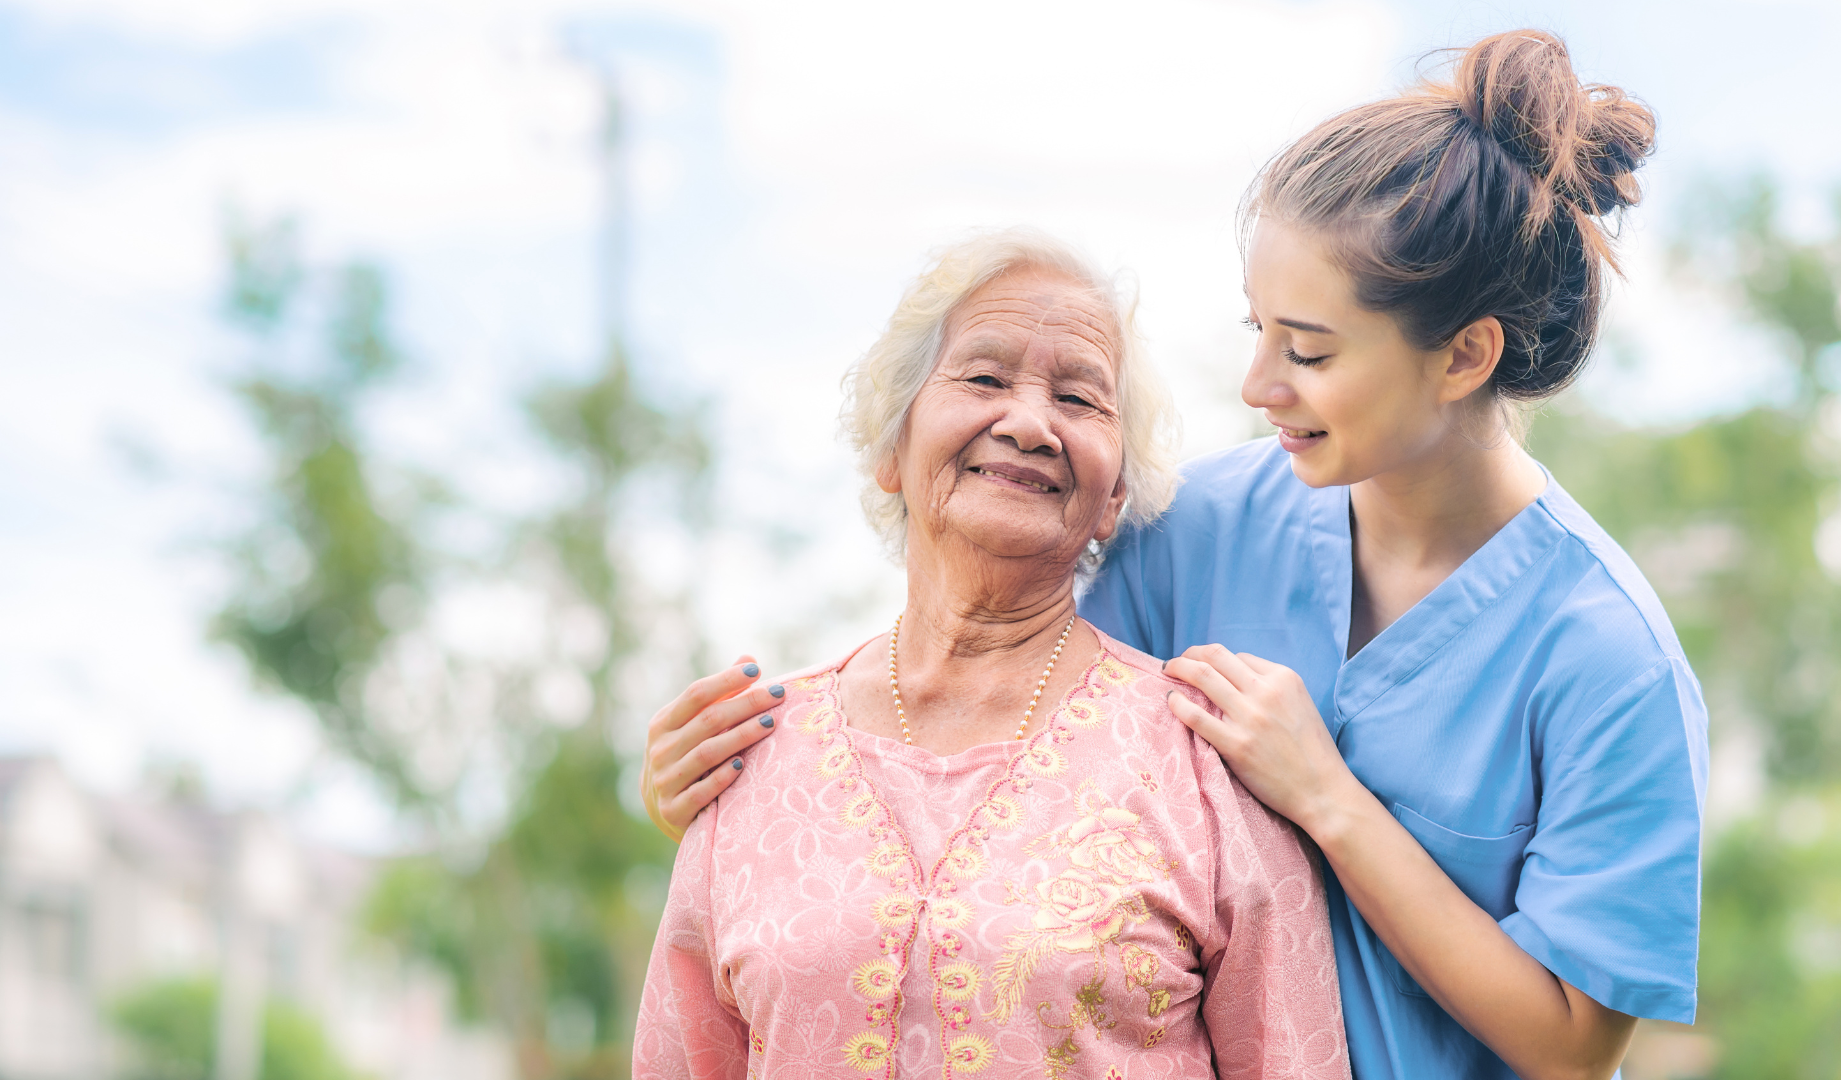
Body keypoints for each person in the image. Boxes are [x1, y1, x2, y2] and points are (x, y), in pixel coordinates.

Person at [644, 29, 1706, 1080]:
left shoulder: (1609, 659)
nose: (1258, 386)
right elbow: (1004, 736)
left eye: (1310, 351)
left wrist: (1327, 798)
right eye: (1258, 330)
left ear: (1465, 355)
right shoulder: (1194, 529)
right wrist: (750, 801)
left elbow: (1572, 1048)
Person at [631, 229, 1350, 1079]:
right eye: (983, 378)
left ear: (1115, 493)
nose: (1030, 423)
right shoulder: (750, 755)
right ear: (890, 447)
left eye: (1080, 400)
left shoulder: (1208, 761)